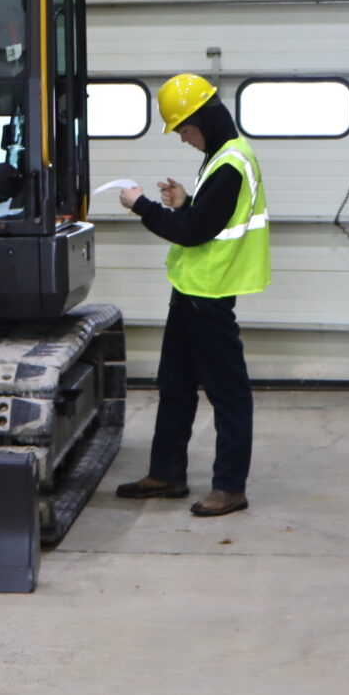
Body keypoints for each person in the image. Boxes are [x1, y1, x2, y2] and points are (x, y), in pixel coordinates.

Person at [110, 74, 269, 517]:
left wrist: (144, 205)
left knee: (229, 395)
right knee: (175, 386)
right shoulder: (222, 158)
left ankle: (230, 487)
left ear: (202, 119)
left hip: (209, 299)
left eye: (182, 129)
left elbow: (194, 232)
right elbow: (206, 216)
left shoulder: (232, 163)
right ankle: (166, 473)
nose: (182, 139)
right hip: (190, 293)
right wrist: (186, 200)